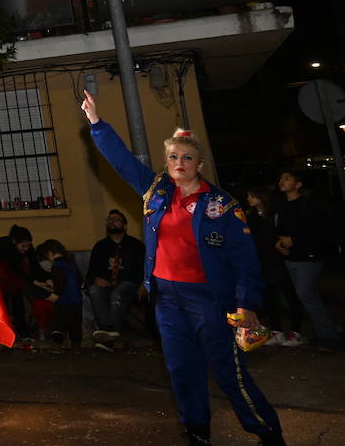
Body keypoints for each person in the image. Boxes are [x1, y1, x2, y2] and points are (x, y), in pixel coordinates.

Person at [81, 91, 283, 446]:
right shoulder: (155, 191)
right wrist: (96, 123)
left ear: (199, 164)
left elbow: (246, 260)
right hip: (168, 299)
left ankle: (268, 433)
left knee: (229, 373)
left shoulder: (222, 205)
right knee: (182, 370)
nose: (179, 162)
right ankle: (197, 431)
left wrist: (246, 303)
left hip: (210, 299)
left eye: (187, 157)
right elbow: (121, 160)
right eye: (173, 156)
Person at [275, 168, 342, 351]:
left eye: (287, 177)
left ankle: (329, 337)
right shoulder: (282, 206)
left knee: (306, 295)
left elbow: (319, 230)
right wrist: (279, 243)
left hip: (309, 257)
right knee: (307, 297)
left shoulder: (309, 204)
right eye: (281, 178)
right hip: (291, 258)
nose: (282, 181)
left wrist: (295, 240)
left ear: (298, 184)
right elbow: (281, 229)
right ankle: (328, 330)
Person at [245, 186, 304, 345]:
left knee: (290, 296)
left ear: (261, 196)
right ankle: (277, 331)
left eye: (252, 195)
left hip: (280, 261)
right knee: (268, 298)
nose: (249, 199)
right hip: (262, 262)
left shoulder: (277, 214)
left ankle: (296, 332)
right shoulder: (250, 217)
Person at [87, 208, 145, 347]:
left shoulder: (136, 245)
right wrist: (97, 279)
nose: (112, 222)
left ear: (125, 226)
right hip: (107, 283)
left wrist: (143, 285)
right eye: (109, 220)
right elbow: (91, 272)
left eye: (116, 219)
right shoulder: (100, 246)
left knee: (117, 293)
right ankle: (108, 334)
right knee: (94, 291)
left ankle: (107, 333)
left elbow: (144, 269)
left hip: (129, 283)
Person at [0, 224, 47, 342]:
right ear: (14, 242)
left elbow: (34, 264)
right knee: (3, 302)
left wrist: (46, 278)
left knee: (17, 298)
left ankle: (22, 330)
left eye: (28, 246)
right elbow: (18, 271)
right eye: (23, 246)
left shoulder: (25, 248)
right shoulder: (7, 249)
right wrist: (35, 282)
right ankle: (5, 331)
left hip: (9, 272)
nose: (26, 249)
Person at [37, 239, 83, 348]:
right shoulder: (71, 264)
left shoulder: (57, 265)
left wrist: (55, 293)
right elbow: (80, 280)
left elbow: (60, 282)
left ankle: (58, 342)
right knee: (75, 326)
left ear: (50, 253)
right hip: (77, 300)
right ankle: (76, 345)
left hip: (63, 301)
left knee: (59, 324)